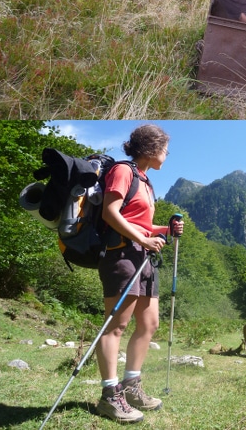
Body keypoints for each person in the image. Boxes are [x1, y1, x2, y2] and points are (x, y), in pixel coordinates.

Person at [95, 124, 184, 423]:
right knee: (116, 326)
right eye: (165, 149)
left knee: (149, 323)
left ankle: (132, 387)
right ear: (151, 148)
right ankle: (110, 395)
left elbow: (140, 223)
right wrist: (144, 239)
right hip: (121, 255)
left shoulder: (145, 180)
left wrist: (163, 230)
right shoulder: (124, 171)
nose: (167, 155)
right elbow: (110, 212)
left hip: (143, 257)